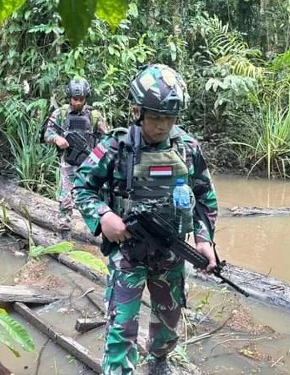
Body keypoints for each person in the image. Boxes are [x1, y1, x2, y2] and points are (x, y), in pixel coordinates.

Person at [73, 64, 218, 375]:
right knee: (121, 327)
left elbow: (205, 197)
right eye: (155, 117)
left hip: (171, 253)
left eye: (169, 118)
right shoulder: (116, 147)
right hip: (128, 254)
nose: (162, 125)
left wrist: (205, 241)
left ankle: (158, 360)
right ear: (137, 112)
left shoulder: (187, 148)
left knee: (168, 325)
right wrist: (105, 215)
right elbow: (82, 187)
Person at [43, 77, 108, 241]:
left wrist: (99, 157)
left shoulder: (94, 116)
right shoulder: (60, 114)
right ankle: (65, 233)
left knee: (96, 198)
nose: (78, 102)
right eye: (75, 99)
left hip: (90, 164)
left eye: (81, 99)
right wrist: (57, 139)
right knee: (65, 199)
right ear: (69, 97)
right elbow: (47, 133)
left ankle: (99, 231)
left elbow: (106, 140)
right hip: (69, 164)